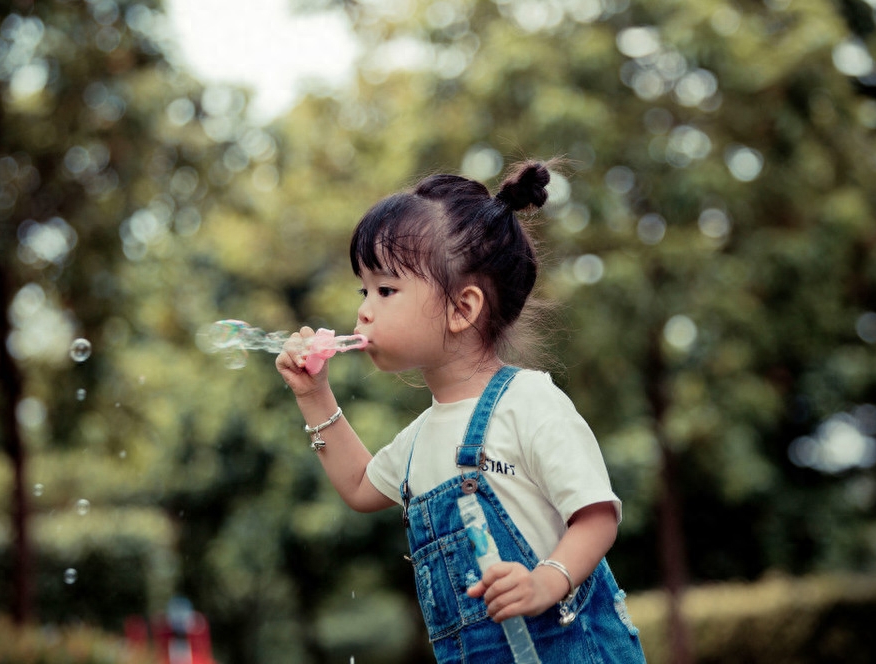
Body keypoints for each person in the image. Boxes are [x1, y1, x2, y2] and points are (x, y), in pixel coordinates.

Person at [275, 160, 646, 663]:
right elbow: (361, 487)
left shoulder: (529, 402)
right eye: (363, 291)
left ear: (461, 309)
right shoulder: (419, 439)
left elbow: (597, 516)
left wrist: (545, 582)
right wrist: (313, 395)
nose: (364, 310)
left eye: (386, 290)